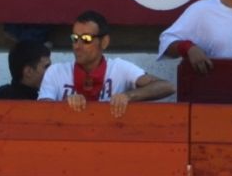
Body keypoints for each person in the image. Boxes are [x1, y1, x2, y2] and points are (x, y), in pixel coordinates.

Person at [38, 10, 172, 115]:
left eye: (86, 39)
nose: (77, 46)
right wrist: (63, 105)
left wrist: (128, 96)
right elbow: (41, 112)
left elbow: (167, 86)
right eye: (75, 38)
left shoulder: (119, 68)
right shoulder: (56, 71)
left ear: (104, 42)